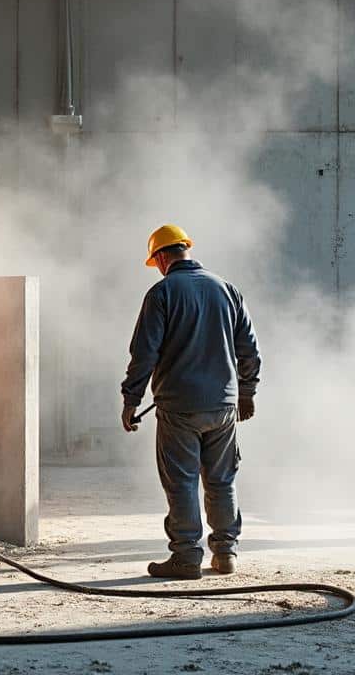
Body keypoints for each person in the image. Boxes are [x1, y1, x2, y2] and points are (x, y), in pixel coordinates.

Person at [120, 225, 261, 580]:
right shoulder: (226, 289)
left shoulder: (162, 293)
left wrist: (131, 399)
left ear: (163, 257)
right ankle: (225, 554)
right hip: (224, 407)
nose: (157, 268)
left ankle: (185, 557)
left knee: (182, 481)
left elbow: (144, 353)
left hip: (179, 408)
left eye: (155, 262)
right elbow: (249, 350)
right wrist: (246, 392)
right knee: (222, 480)